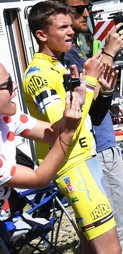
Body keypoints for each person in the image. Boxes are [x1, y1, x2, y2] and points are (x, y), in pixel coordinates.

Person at [22, 0, 121, 254]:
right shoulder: (38, 74)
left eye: (70, 26)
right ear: (41, 34)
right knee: (111, 248)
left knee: (91, 245)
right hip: (71, 164)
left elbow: (81, 107)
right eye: (63, 27)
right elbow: (64, 123)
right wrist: (89, 81)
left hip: (85, 155)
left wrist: (102, 88)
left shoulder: (59, 64)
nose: (71, 31)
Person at [48, 0, 123, 254]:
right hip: (93, 150)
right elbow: (79, 105)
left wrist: (106, 92)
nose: (86, 14)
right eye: (78, 9)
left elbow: (95, 106)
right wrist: (108, 52)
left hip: (99, 142)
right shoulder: (64, 58)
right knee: (115, 230)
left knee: (94, 236)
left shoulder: (75, 51)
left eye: (89, 7)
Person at [0, 62, 86, 211]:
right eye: (7, 84)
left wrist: (75, 103)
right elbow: (39, 178)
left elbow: (52, 133)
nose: (15, 85)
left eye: (11, 79)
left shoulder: (7, 117)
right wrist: (67, 133)